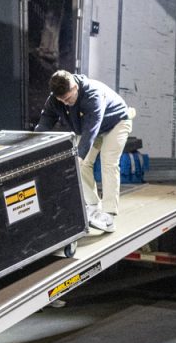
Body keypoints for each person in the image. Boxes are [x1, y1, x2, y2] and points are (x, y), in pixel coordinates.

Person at [35, 70, 134, 232]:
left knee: (108, 162)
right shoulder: (55, 100)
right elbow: (46, 121)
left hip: (116, 123)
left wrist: (80, 155)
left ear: (75, 86)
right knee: (79, 164)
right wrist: (34, 143)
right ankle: (93, 206)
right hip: (91, 129)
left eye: (68, 98)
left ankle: (109, 216)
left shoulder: (93, 94)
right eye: (61, 100)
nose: (66, 103)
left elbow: (90, 131)